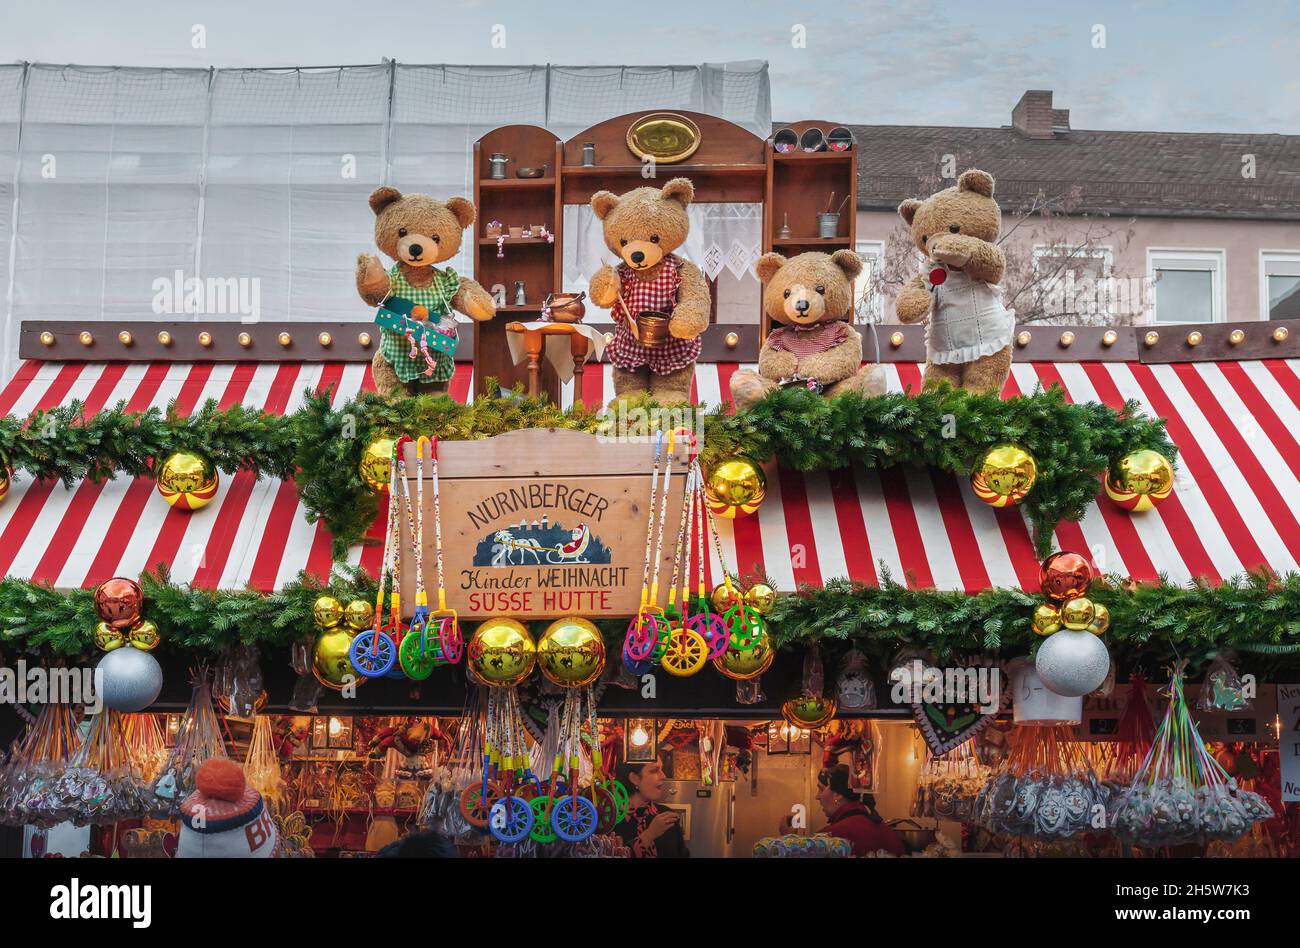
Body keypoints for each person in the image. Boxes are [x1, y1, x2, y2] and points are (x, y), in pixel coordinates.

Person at [784, 764, 905, 857]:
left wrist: (787, 840)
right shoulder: (888, 832)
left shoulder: (830, 838)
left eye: (821, 789)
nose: (817, 796)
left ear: (838, 795)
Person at [613, 758, 689, 858]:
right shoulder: (612, 820)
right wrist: (649, 835)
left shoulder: (667, 815)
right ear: (634, 778)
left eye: (662, 769)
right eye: (654, 770)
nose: (663, 776)